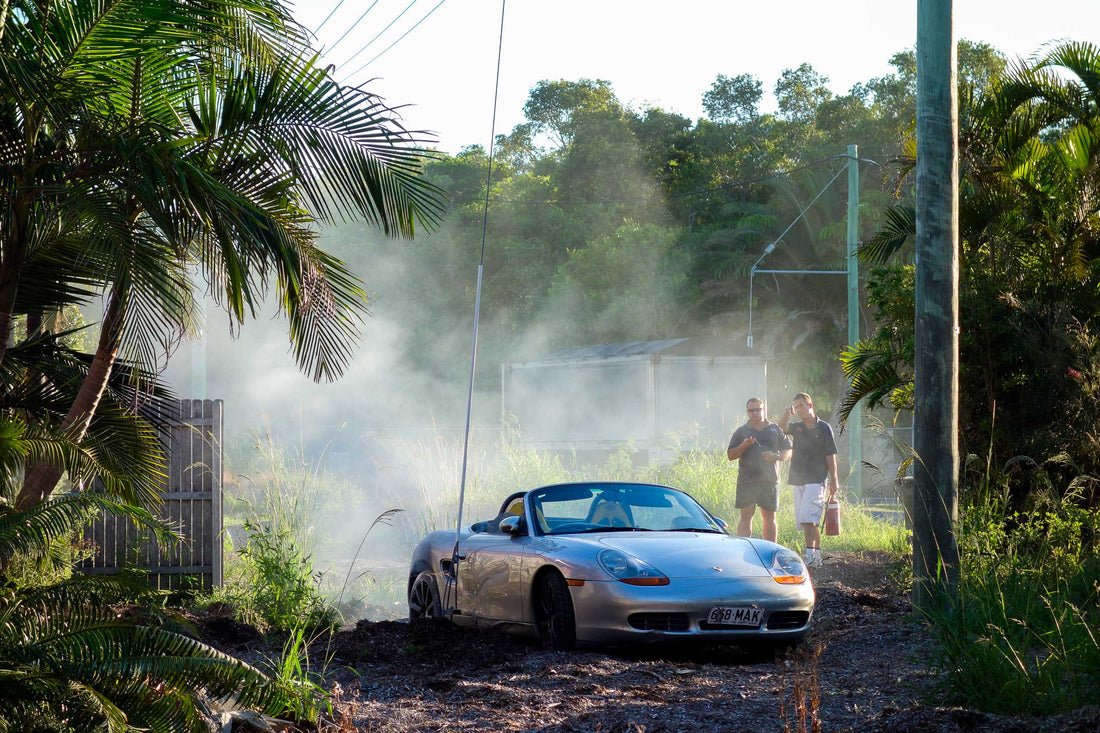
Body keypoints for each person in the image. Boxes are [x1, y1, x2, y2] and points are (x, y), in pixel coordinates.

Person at [778, 392, 839, 568]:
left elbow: (831, 454)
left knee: (809, 518)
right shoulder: (798, 427)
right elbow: (781, 427)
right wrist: (786, 413)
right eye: (796, 406)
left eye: (801, 405)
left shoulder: (824, 427)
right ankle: (815, 556)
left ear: (810, 405)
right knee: (806, 521)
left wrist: (834, 479)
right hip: (798, 479)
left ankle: (810, 554)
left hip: (817, 478)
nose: (799, 409)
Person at [726, 397, 791, 542]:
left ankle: (770, 551)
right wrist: (744, 445)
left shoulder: (775, 429)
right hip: (747, 480)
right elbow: (730, 455)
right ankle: (742, 549)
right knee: (746, 516)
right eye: (751, 410)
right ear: (747, 412)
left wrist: (777, 456)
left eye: (758, 409)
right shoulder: (741, 431)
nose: (755, 413)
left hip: (769, 480)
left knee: (770, 517)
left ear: (764, 409)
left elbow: (789, 451)